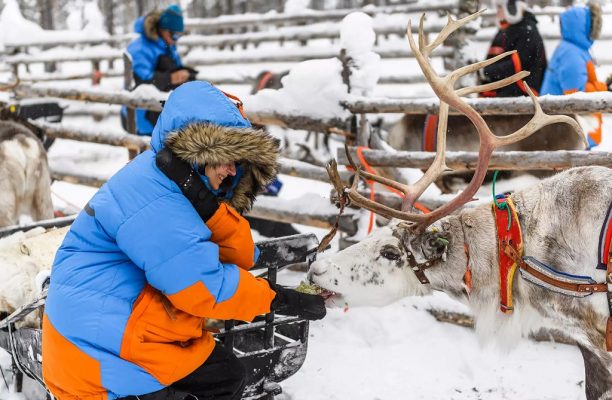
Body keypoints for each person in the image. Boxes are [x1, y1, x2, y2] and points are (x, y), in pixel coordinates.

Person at [42, 81, 326, 400]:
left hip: (115, 334)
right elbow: (202, 290)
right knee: (223, 379)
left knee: (224, 375)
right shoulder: (155, 195)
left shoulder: (175, 187)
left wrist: (211, 208)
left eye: (240, 161)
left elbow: (239, 257)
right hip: (98, 355)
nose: (233, 170)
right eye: (228, 156)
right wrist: (278, 298)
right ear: (200, 151)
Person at [120, 5, 197, 136]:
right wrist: (171, 78)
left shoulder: (167, 46)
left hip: (161, 113)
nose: (175, 40)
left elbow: (174, 69)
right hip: (141, 116)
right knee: (149, 153)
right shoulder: (139, 48)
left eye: (179, 35)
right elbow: (142, 82)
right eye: (174, 35)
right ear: (163, 29)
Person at [540, 2, 606, 148]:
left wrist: (601, 86)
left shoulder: (575, 49)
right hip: (564, 132)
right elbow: (576, 96)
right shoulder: (572, 55)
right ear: (583, 26)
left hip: (565, 126)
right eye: (593, 24)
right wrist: (601, 89)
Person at [479, 0, 547, 97]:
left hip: (523, 95)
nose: (498, 11)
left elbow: (517, 66)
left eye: (500, 7)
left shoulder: (527, 31)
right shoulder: (505, 30)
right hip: (503, 93)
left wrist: (486, 72)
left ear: (512, 7)